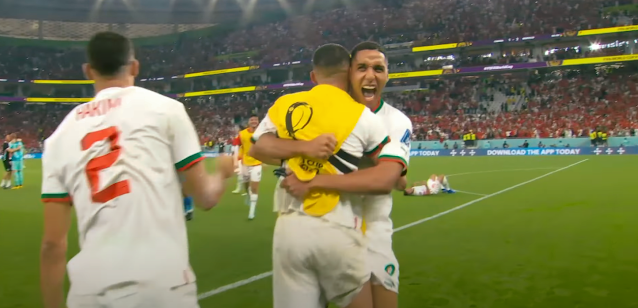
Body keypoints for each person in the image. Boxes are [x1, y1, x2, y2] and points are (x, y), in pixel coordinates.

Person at [39, 32, 234, 308]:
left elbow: (52, 245)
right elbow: (205, 198)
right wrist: (222, 173)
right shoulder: (167, 110)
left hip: (89, 291)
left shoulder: (59, 137)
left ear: (88, 71)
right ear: (134, 67)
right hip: (160, 284)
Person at [251, 43, 405, 308]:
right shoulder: (363, 116)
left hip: (289, 228)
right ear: (348, 75)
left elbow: (258, 147)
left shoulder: (286, 103)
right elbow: (388, 179)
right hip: (340, 223)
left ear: (313, 76)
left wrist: (301, 153)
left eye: (377, 69)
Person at [237, 116, 263, 220]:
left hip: (257, 163)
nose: (254, 121)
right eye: (252, 120)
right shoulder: (242, 134)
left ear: (258, 121)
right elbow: (239, 147)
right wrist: (238, 159)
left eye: (256, 120)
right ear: (248, 122)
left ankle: (251, 212)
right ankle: (248, 194)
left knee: (254, 187)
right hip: (245, 163)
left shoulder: (262, 134)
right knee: (246, 184)